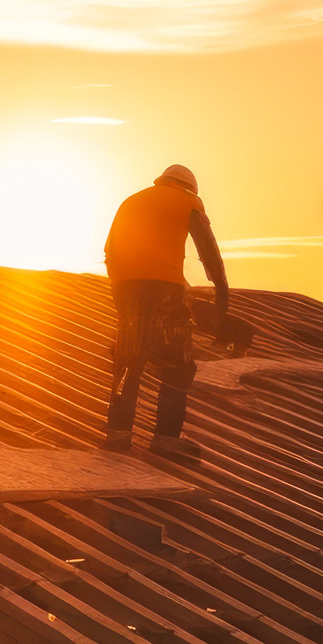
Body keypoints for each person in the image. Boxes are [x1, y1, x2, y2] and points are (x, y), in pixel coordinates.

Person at [102, 164, 230, 462]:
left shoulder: (131, 200)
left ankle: (118, 433)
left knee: (128, 359)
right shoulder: (188, 201)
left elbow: (110, 250)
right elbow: (207, 248)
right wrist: (221, 289)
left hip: (127, 287)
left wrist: (120, 292)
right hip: (165, 291)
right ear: (189, 187)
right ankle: (166, 439)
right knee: (178, 364)